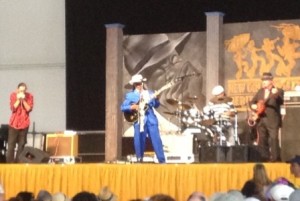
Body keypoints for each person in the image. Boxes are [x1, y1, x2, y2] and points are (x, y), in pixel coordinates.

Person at [121, 74, 166, 163]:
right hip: (138, 120)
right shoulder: (130, 96)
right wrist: (132, 107)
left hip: (151, 119)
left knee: (156, 140)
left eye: (139, 83)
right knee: (139, 140)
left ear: (142, 83)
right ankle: (139, 159)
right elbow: (122, 107)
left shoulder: (150, 93)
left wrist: (157, 99)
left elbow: (156, 105)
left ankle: (162, 160)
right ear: (134, 85)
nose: (138, 85)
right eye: (136, 84)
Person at [249, 72, 284, 162]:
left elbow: (281, 101)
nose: (263, 82)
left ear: (271, 81)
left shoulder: (278, 91)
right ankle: (264, 158)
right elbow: (252, 102)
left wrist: (276, 94)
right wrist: (253, 106)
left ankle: (276, 158)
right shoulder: (260, 91)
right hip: (261, 119)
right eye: (263, 80)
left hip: (272, 120)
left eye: (266, 80)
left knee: (273, 139)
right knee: (262, 139)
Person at [6, 82, 34, 163]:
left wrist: (24, 100)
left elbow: (29, 109)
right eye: (20, 90)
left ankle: (18, 163)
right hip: (14, 123)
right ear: (17, 89)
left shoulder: (29, 96)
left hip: (24, 123)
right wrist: (18, 99)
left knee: (21, 145)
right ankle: (9, 165)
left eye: (23, 91)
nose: (22, 92)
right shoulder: (13, 95)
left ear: (25, 90)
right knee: (11, 145)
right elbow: (13, 108)